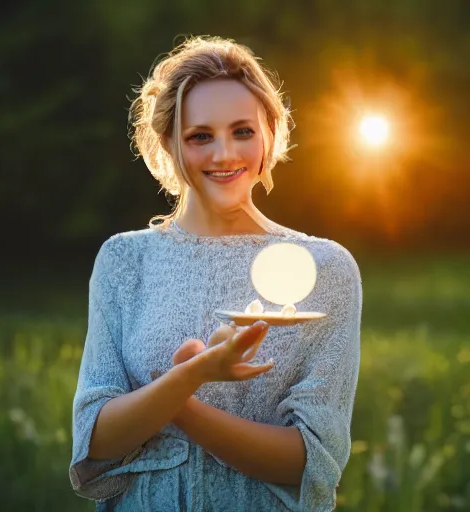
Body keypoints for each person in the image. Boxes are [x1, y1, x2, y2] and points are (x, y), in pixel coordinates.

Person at [69, 36, 362, 512]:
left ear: (271, 132)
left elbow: (309, 461)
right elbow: (94, 440)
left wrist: (177, 395)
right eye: (200, 136)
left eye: (243, 131)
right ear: (167, 142)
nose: (224, 155)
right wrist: (192, 377)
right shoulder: (125, 261)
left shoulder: (327, 268)